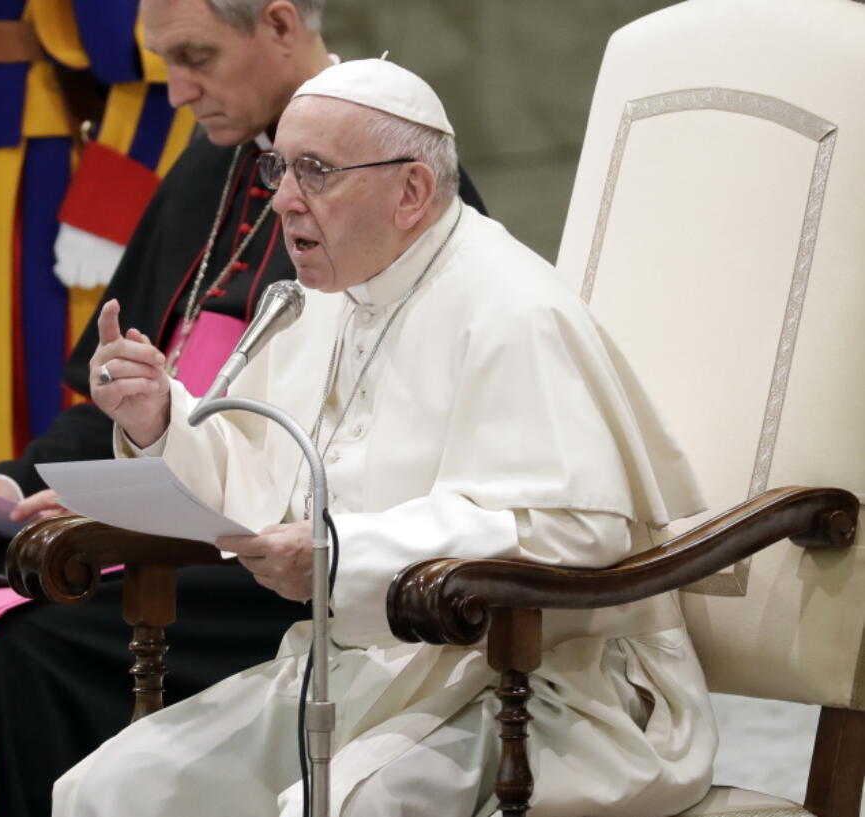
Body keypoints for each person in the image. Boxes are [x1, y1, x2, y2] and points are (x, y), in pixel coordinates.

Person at [0, 3, 488, 817]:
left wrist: (168, 487)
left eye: (196, 57)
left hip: (263, 563)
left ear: (280, 23)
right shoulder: (209, 168)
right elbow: (111, 398)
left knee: (13, 651)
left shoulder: (394, 180)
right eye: (165, 61)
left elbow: (383, 447)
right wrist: (8, 484)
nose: (175, 91)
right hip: (139, 521)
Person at [55, 59, 716, 817]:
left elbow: (574, 530)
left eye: (315, 171)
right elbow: (263, 475)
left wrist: (342, 550)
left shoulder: (514, 310)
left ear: (411, 192)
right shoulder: (328, 297)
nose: (282, 202)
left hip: (536, 682)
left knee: (346, 805)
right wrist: (161, 420)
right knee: (111, 789)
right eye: (279, 167)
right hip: (361, 669)